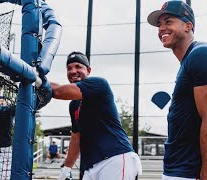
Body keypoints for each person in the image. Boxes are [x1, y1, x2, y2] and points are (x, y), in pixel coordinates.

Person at [147, 1, 207, 179]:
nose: (162, 28)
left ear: (188, 26)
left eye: (168, 22)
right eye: (159, 24)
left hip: (190, 174)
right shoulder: (189, 61)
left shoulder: (204, 55)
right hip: (178, 171)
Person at [48, 51, 142, 180]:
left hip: (116, 158)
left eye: (78, 66)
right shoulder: (74, 105)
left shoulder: (99, 84)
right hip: (91, 167)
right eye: (69, 68)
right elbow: (76, 138)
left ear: (88, 70)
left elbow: (59, 92)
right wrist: (66, 168)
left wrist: (35, 79)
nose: (73, 71)